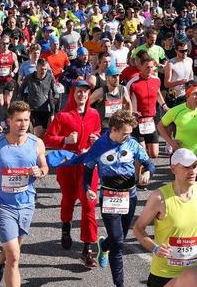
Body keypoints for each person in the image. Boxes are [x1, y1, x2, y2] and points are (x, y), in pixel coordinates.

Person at [57, 110, 154, 287]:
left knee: (119, 238)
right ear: (114, 130)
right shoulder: (99, 146)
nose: (128, 136)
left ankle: (104, 246)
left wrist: (147, 172)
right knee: (118, 243)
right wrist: (87, 189)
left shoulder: (132, 144)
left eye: (130, 133)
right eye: (125, 133)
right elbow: (87, 171)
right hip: (108, 197)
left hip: (129, 196)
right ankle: (119, 284)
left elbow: (149, 164)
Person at [0, 100, 49, 287]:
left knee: (12, 250)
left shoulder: (37, 143)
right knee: (14, 256)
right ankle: (3, 261)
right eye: (19, 120)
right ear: (9, 121)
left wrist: (40, 171)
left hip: (27, 203)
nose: (23, 124)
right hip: (2, 204)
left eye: (26, 120)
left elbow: (44, 166)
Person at [133, 148, 197, 287]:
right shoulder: (159, 198)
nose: (192, 171)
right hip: (165, 274)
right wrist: (155, 248)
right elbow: (138, 229)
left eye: (194, 166)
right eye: (186, 167)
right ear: (173, 168)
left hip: (194, 271)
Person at [45, 78, 103, 267]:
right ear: (73, 93)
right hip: (68, 164)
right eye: (79, 91)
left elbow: (98, 133)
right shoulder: (63, 116)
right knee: (68, 199)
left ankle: (87, 249)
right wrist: (65, 140)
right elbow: (48, 139)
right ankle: (65, 226)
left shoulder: (94, 114)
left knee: (89, 204)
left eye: (85, 92)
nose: (82, 95)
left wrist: (96, 139)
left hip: (87, 165)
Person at [160, 81, 197, 161]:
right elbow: (160, 126)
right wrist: (171, 142)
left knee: (195, 174)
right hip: (180, 155)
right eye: (195, 94)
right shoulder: (176, 111)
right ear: (187, 95)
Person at [128, 51, 167, 160]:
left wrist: (164, 106)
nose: (149, 70)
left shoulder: (156, 80)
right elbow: (125, 100)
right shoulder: (133, 83)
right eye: (147, 67)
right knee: (141, 155)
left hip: (150, 121)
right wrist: (130, 113)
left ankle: (143, 167)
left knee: (154, 154)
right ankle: (138, 175)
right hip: (137, 121)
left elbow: (158, 93)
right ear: (140, 67)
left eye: (151, 67)